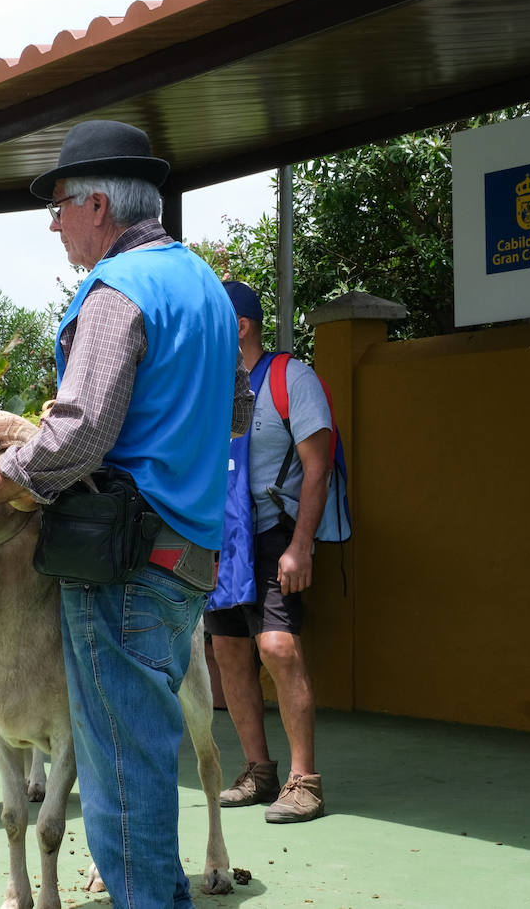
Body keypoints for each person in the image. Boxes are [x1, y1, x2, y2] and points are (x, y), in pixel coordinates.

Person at [0, 120, 246, 909]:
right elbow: (233, 412)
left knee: (123, 777)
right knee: (149, 753)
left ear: (97, 204)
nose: (54, 226)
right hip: (188, 559)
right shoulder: (207, 290)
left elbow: (77, 433)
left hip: (120, 563)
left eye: (57, 208)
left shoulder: (118, 293)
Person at [206, 280, 333, 823]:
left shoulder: (291, 379)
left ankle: (305, 781)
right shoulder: (209, 387)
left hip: (274, 532)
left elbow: (318, 466)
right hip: (221, 537)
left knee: (278, 648)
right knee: (230, 654)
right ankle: (259, 772)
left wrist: (301, 546)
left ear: (238, 327)